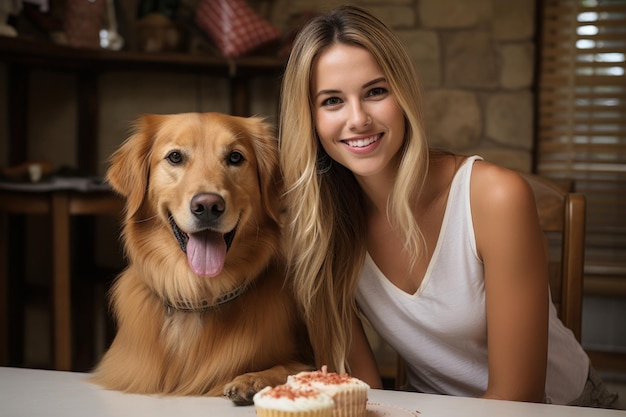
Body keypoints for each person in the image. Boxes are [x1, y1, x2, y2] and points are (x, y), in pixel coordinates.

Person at [277, 4, 618, 408]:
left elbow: (516, 400)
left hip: (556, 408)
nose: (358, 119)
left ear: (402, 95)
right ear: (310, 118)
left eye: (375, 92)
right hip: (436, 406)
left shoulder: (495, 197)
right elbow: (361, 392)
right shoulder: (322, 225)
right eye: (332, 100)